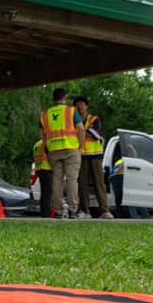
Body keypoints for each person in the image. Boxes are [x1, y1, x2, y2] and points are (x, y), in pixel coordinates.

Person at [39, 87, 85, 218]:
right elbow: (81, 129)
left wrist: (47, 145)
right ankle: (72, 210)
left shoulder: (45, 114)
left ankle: (58, 211)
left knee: (56, 180)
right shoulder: (71, 111)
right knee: (72, 179)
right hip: (71, 149)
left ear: (53, 98)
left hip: (53, 151)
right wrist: (80, 147)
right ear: (65, 97)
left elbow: (41, 135)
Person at [74, 96, 114, 219]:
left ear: (86, 106)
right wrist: (84, 133)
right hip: (81, 155)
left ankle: (104, 210)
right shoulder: (73, 120)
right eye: (77, 105)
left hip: (95, 155)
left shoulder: (94, 119)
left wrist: (81, 133)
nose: (80, 107)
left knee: (99, 183)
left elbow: (96, 134)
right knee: (82, 184)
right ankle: (84, 210)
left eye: (82, 104)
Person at [109, 141, 150, 219]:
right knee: (133, 200)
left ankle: (122, 218)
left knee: (121, 201)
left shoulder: (120, 161)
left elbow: (115, 172)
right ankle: (142, 217)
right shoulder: (130, 161)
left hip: (116, 178)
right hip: (122, 179)